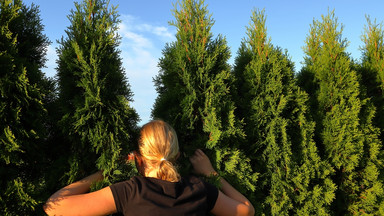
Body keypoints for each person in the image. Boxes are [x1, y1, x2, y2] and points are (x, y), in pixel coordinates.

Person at [44, 120, 255, 216]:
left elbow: (54, 206)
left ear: (139, 158)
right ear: (178, 156)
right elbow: (247, 210)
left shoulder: (130, 191)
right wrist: (211, 173)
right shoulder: (200, 189)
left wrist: (104, 173)